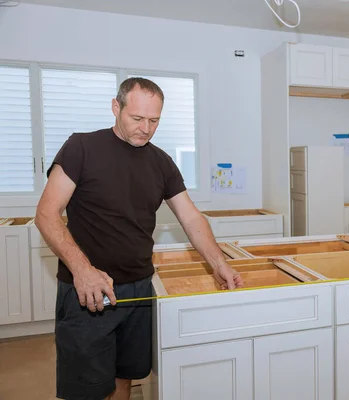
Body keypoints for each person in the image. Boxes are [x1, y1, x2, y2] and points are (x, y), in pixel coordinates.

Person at [35, 77, 244, 400]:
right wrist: (83, 270)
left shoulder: (161, 162)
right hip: (89, 290)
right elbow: (47, 214)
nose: (145, 128)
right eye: (137, 119)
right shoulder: (81, 147)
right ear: (116, 108)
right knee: (88, 390)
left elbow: (190, 216)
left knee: (126, 377)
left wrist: (219, 263)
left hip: (139, 290)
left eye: (154, 120)